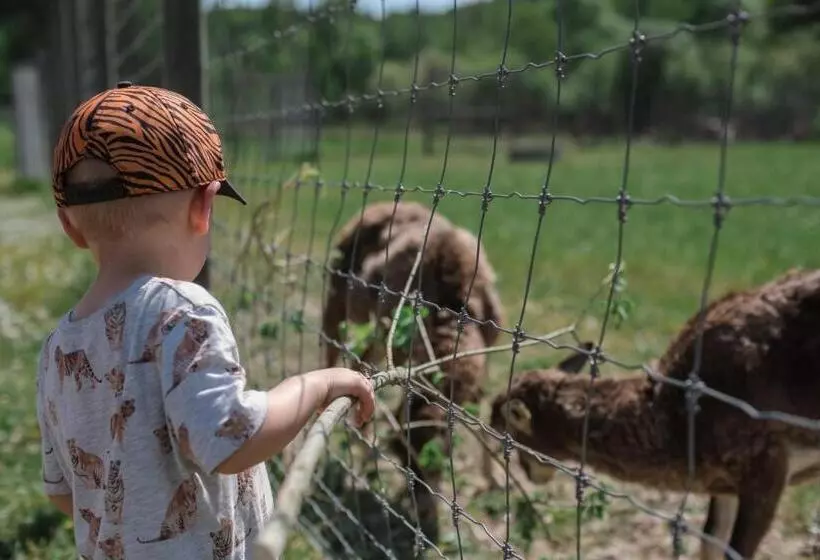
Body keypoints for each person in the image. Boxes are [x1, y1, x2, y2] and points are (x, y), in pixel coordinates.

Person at [35, 81, 375, 559]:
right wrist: (315, 385)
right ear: (204, 206)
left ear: (69, 224)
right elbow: (235, 439)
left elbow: (61, 491)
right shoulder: (181, 310)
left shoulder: (57, 347)